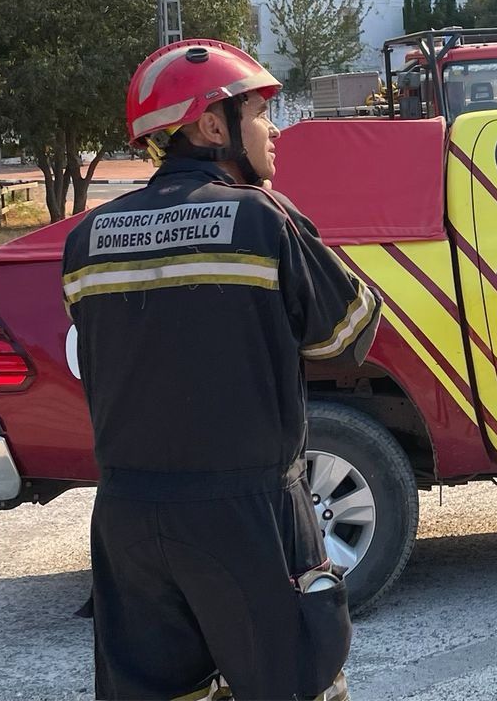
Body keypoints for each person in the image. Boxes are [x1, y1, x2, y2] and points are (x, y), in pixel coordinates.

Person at [61, 39, 383, 701]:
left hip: (128, 519)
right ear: (212, 125)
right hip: (248, 511)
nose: (274, 129)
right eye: (262, 111)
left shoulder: (86, 240)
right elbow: (350, 333)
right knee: (297, 686)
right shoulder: (261, 219)